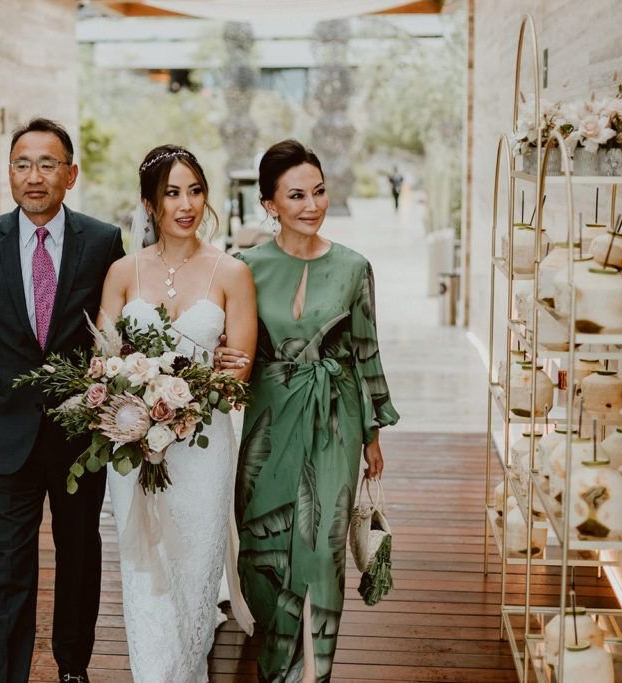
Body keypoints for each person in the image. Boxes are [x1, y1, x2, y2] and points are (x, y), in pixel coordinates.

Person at [0, 118, 125, 683]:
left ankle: (72, 667)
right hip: (4, 430)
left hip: (78, 432)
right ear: (9, 172)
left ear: (71, 174)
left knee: (79, 557)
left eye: (47, 164)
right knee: (9, 564)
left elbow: (112, 337)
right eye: (22, 164)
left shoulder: (102, 241)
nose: (33, 176)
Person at [215, 139, 400, 682]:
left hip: (335, 421)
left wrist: (372, 433)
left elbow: (366, 350)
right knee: (263, 550)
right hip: (268, 421)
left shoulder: (353, 267)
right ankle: (276, 668)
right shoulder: (242, 267)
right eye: (296, 195)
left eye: (319, 191)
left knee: (321, 553)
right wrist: (223, 356)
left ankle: (312, 675)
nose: (312, 204)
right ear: (270, 204)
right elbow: (231, 346)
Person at [96, 145, 258, 682]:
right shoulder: (122, 272)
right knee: (144, 565)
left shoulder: (232, 272)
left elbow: (239, 372)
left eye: (194, 190)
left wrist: (198, 391)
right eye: (171, 193)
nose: (185, 204)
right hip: (133, 444)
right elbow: (103, 362)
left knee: (193, 564)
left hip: (203, 443)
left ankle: (187, 668)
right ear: (149, 203)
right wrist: (136, 397)